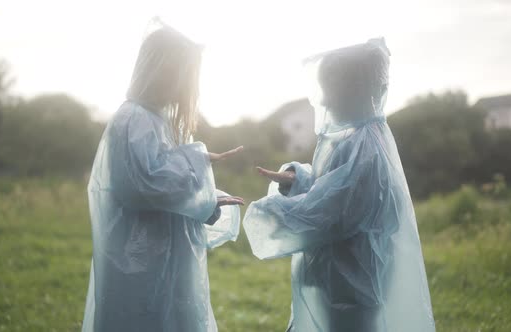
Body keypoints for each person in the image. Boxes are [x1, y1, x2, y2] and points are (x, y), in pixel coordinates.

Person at [243, 38, 435, 331]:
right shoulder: (359, 138)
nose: (325, 101)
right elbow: (333, 188)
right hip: (345, 276)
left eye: (331, 92)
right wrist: (299, 180)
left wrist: (272, 212)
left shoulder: (365, 147)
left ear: (354, 91)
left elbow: (333, 211)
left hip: (352, 279)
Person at [81, 21, 244, 332]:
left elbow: (166, 185)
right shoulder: (133, 119)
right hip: (140, 263)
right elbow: (144, 185)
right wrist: (195, 160)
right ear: (162, 71)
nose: (186, 87)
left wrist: (206, 201)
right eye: (183, 76)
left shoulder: (155, 119)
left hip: (163, 261)